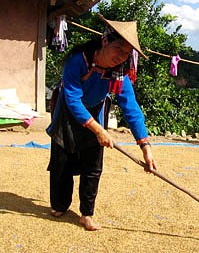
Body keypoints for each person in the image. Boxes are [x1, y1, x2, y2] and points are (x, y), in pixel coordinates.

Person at [46, 14, 157, 231]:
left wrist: (145, 146)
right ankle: (60, 205)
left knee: (93, 165)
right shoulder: (78, 60)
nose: (121, 57)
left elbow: (131, 107)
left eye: (127, 54)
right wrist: (99, 130)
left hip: (96, 110)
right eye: (119, 49)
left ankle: (86, 213)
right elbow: (72, 98)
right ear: (105, 41)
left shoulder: (120, 75)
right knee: (62, 160)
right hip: (68, 110)